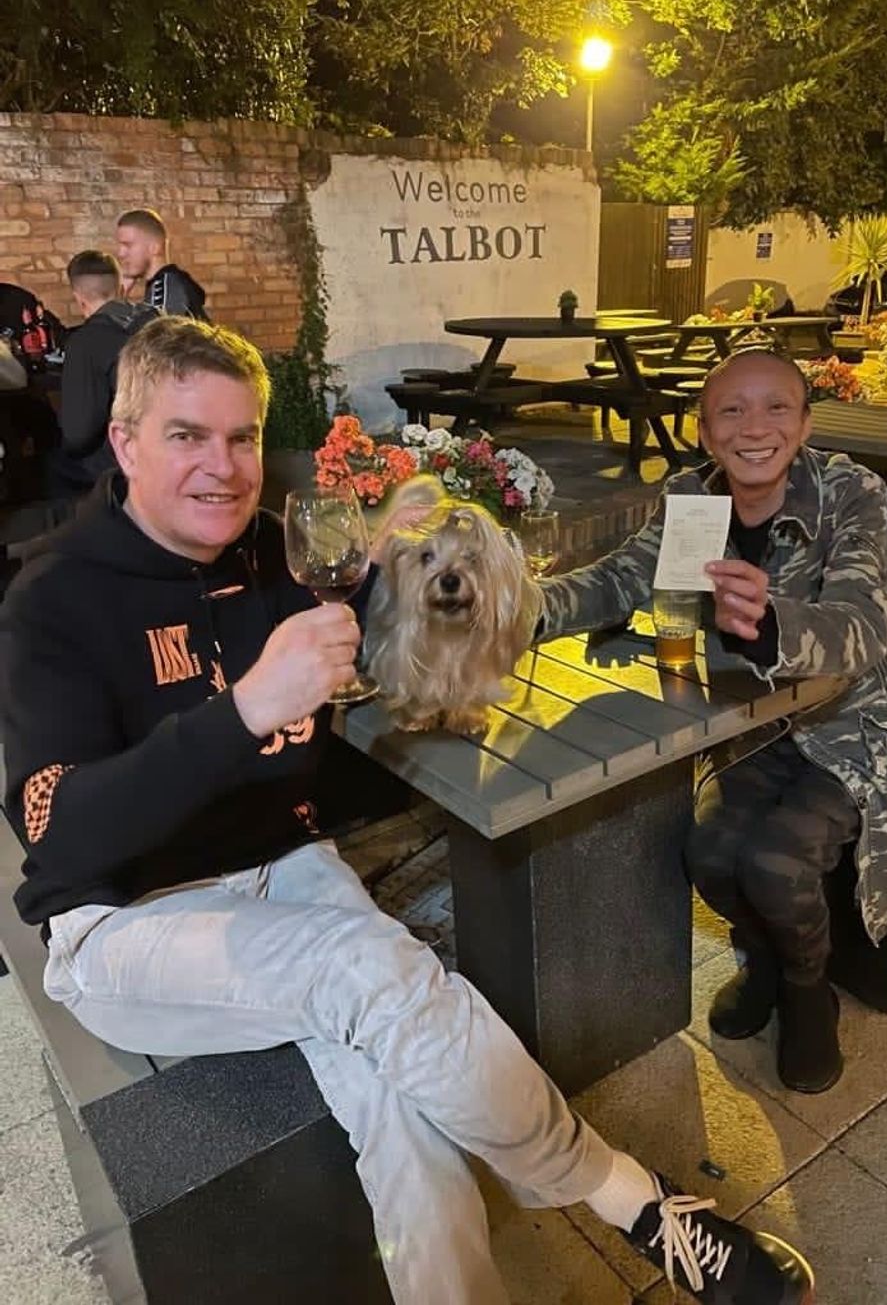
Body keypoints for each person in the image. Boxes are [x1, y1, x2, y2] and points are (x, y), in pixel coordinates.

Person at [1, 317, 813, 1305]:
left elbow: (376, 629)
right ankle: (635, 1202)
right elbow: (58, 834)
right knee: (376, 968)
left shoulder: (276, 551)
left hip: (283, 864)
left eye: (241, 436)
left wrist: (405, 565)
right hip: (123, 917)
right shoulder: (51, 596)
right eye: (187, 435)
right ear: (126, 442)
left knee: (401, 1099)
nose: (222, 465)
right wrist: (244, 710)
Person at [538, 348, 887, 1095]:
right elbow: (621, 578)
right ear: (706, 431)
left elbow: (864, 625)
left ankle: (808, 992)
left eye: (777, 407)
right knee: (709, 853)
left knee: (777, 861)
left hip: (859, 729)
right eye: (732, 411)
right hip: (753, 724)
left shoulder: (849, 491)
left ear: (804, 424)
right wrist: (519, 606)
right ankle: (766, 961)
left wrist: (772, 624)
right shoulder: (692, 498)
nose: (754, 427)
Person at [49, 251, 158, 493]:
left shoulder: (85, 342)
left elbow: (78, 436)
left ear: (79, 299)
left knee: (54, 463)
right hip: (169, 443)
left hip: (123, 464)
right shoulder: (159, 322)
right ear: (121, 289)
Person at [115, 208, 209, 320]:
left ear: (155, 247)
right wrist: (121, 297)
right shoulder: (166, 283)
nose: (120, 253)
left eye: (128, 245)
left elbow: (157, 331)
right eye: (120, 246)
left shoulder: (166, 288)